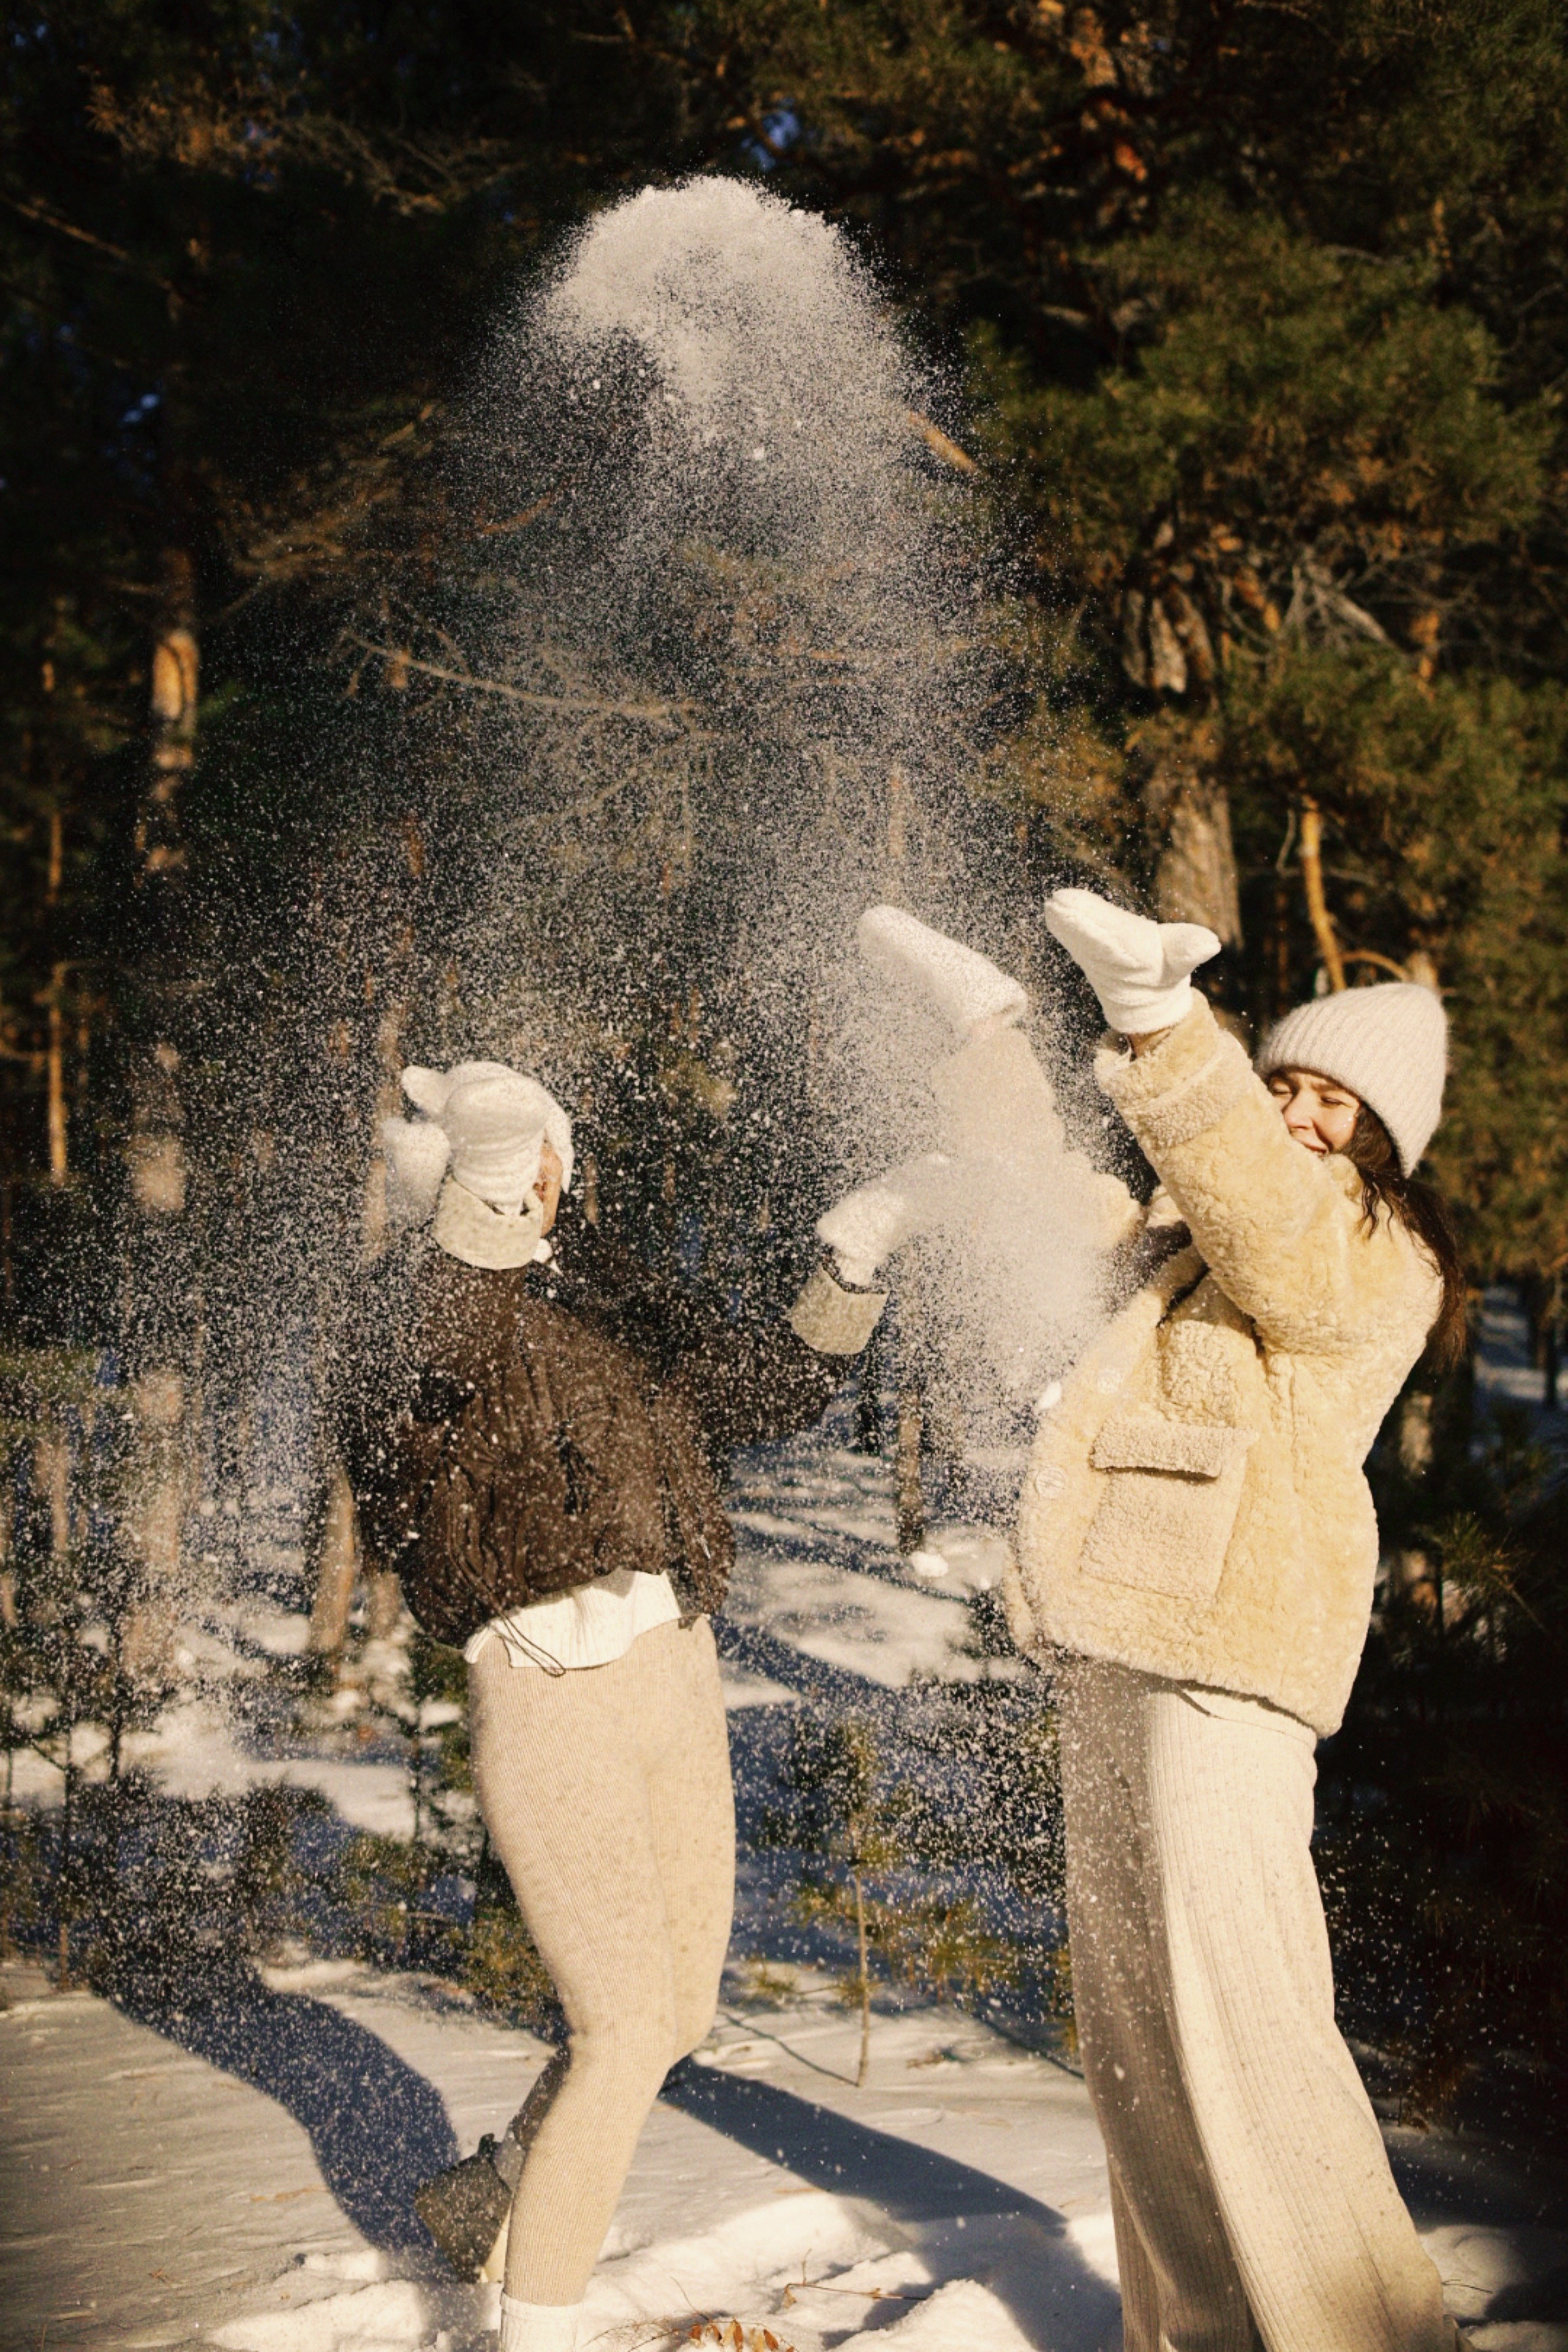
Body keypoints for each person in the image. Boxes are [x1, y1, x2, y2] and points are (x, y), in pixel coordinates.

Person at [854, 893, 1469, 2350]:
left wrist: (1158, 1023)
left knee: (1242, 2027)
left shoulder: (1367, 1252)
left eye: (1335, 1105)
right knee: (1138, 2044)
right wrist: (987, 1038)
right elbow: (1046, 1186)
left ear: (1383, 1141)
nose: (1302, 1120)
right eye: (1285, 1089)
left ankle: (1365, 2335)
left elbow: (1263, 1206)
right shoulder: (1189, 1234)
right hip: (1119, 1642)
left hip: (1227, 1662)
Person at [338, 1057, 935, 2352]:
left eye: (544, 1160)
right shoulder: (419, 1312)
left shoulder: (607, 1289)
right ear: (481, 1178)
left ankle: (486, 2200)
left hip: (674, 1669)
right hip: (544, 1693)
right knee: (616, 2034)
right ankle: (537, 2332)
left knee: (673, 2017)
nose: (547, 1185)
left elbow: (765, 1391)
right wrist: (490, 1178)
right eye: (516, 1168)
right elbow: (442, 1356)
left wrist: (851, 1270)